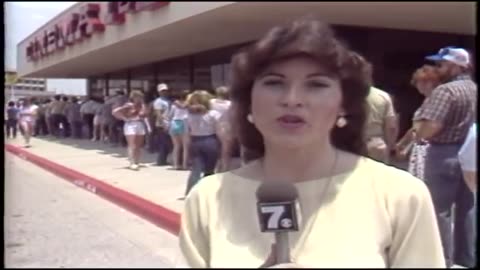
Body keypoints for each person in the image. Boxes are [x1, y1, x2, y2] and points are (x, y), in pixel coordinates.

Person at [179, 17, 445, 268]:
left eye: (316, 85)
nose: (292, 99)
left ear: (343, 105)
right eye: (274, 83)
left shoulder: (400, 194)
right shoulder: (207, 197)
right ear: (249, 102)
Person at [414, 46, 476, 268]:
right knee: (466, 208)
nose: (438, 68)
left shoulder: (445, 91)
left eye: (441, 64)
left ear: (454, 65)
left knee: (438, 209)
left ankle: (442, 259)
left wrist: (419, 133)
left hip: (444, 152)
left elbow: (432, 126)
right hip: (471, 152)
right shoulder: (475, 89)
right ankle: (466, 258)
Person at [395, 65, 444, 179]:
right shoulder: (427, 100)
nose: (417, 86)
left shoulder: (435, 100)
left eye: (419, 82)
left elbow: (422, 128)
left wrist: (405, 148)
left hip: (426, 150)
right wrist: (402, 143)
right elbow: (415, 127)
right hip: (419, 147)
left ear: (429, 82)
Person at [183, 90, 221, 196]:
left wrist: (185, 155)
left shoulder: (187, 116)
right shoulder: (213, 114)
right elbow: (219, 132)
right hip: (210, 141)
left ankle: (190, 193)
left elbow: (186, 136)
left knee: (196, 169)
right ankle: (208, 193)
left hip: (195, 141)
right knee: (210, 170)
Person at [112, 90, 148, 170]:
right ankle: (132, 163)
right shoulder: (128, 105)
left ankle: (137, 162)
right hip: (130, 124)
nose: (139, 98)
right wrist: (124, 118)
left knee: (138, 145)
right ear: (134, 97)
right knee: (132, 145)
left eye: (140, 97)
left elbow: (145, 115)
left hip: (139, 124)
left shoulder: (142, 105)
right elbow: (115, 112)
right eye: (138, 97)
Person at [364, 85, 398, 164]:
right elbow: (391, 127)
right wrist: (389, 147)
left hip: (352, 145)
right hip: (376, 144)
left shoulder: (345, 94)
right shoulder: (383, 96)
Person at [210, 86, 233, 172]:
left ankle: (215, 166)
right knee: (226, 148)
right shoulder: (230, 104)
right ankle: (225, 167)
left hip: (211, 125)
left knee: (214, 148)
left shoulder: (211, 102)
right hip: (225, 126)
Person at [168, 90, 190, 170]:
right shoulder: (190, 105)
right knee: (185, 147)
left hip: (174, 123)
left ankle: (175, 165)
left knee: (176, 146)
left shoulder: (174, 105)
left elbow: (170, 116)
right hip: (184, 123)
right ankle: (185, 165)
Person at [153, 84, 172, 166]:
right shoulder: (158, 101)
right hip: (162, 124)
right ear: (159, 92)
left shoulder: (168, 100)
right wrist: (164, 124)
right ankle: (160, 160)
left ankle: (163, 159)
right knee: (163, 143)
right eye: (162, 91)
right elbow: (158, 114)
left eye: (165, 90)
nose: (164, 92)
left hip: (169, 123)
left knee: (167, 143)